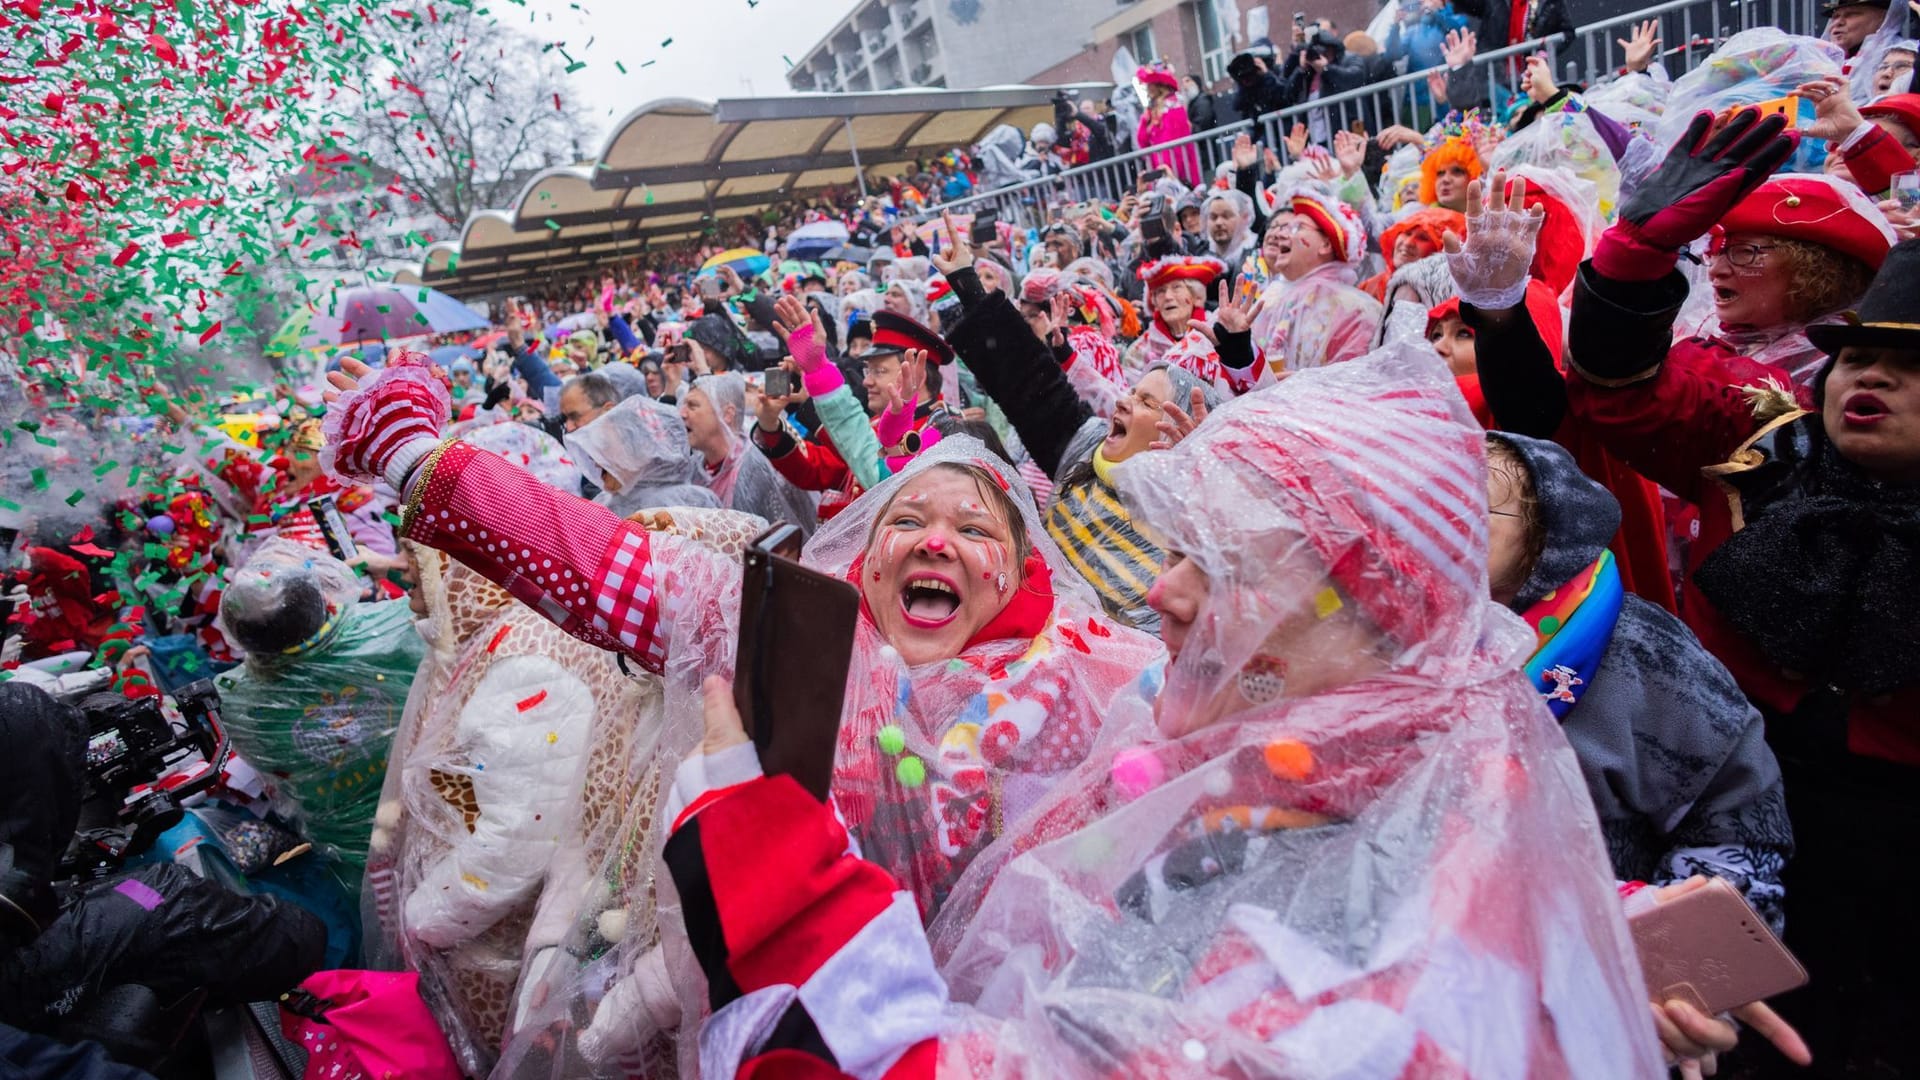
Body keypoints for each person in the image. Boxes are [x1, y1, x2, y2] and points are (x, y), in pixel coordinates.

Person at [657, 344, 1667, 1079]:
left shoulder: (1388, 956)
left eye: (1219, 565)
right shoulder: (1289, 750)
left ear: (1366, 616)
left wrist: (763, 860)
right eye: (906, 518)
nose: (1165, 593)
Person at [318, 350, 1164, 933]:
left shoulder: (1098, 670)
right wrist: (415, 456)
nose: (935, 542)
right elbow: (614, 570)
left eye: (973, 528)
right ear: (867, 565)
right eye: (907, 520)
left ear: (1019, 569)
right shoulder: (806, 638)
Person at [1552, 106, 1919, 1075]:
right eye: (1859, 355)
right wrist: (1638, 250)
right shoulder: (1758, 444)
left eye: (1911, 364)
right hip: (1751, 825)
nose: (1870, 375)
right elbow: (1619, 386)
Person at [1484, 432, 1792, 930]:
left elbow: (1733, 822)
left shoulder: (1641, 650)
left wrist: (1670, 941)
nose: (1433, 529)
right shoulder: (1373, 638)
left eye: (1467, 510)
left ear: (1548, 531)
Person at [214, 540, 424, 919]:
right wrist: (394, 565)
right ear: (326, 599)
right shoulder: (397, 628)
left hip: (355, 861)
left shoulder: (237, 701)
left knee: (392, 943)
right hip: (430, 821)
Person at [1245, 189, 1384, 388]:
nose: (1281, 235)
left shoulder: (1356, 310)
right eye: (1283, 227)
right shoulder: (1271, 297)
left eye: (1296, 228)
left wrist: (1307, 386)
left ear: (1326, 245)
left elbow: (1362, 381)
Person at [680, 373, 818, 534]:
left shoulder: (758, 466)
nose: (682, 413)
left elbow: (787, 540)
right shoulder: (694, 468)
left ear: (727, 414)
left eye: (692, 405)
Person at [563, 395, 722, 517]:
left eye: (606, 447)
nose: (597, 463)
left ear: (639, 450)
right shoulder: (605, 505)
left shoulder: (694, 504)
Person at [1134, 61, 1202, 187]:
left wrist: (1168, 172)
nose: (1147, 89)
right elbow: (1142, 140)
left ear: (1158, 86)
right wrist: (1145, 119)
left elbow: (1173, 143)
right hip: (1161, 168)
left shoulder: (1174, 106)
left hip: (1175, 169)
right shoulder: (1152, 111)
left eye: (1150, 84)